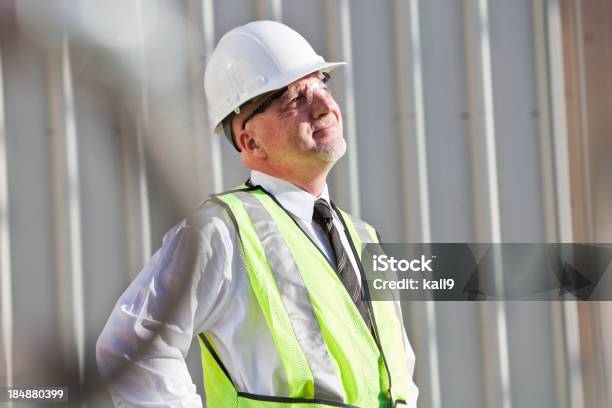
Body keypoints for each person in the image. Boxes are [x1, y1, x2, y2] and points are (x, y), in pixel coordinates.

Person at [96, 20, 418, 408]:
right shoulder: (220, 231)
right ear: (249, 140)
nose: (323, 106)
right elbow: (129, 346)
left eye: (321, 83)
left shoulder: (364, 237)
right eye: (293, 98)